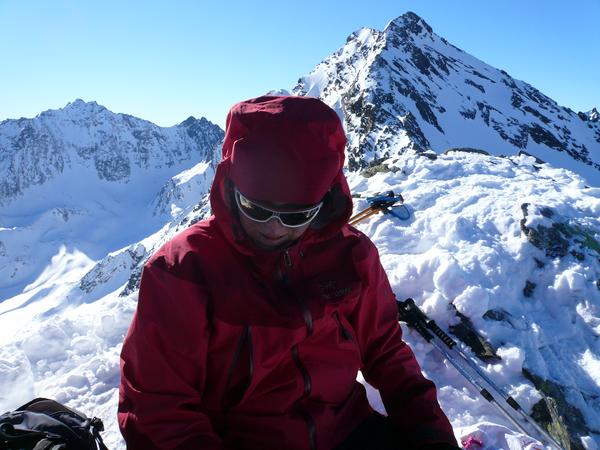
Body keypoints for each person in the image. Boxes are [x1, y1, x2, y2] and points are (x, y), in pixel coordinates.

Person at [118, 95, 459, 450]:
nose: (274, 228)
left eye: (296, 216)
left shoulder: (351, 254)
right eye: (255, 208)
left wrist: (431, 433)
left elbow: (386, 353)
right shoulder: (182, 271)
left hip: (347, 430)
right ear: (232, 187)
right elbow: (158, 407)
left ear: (323, 201)